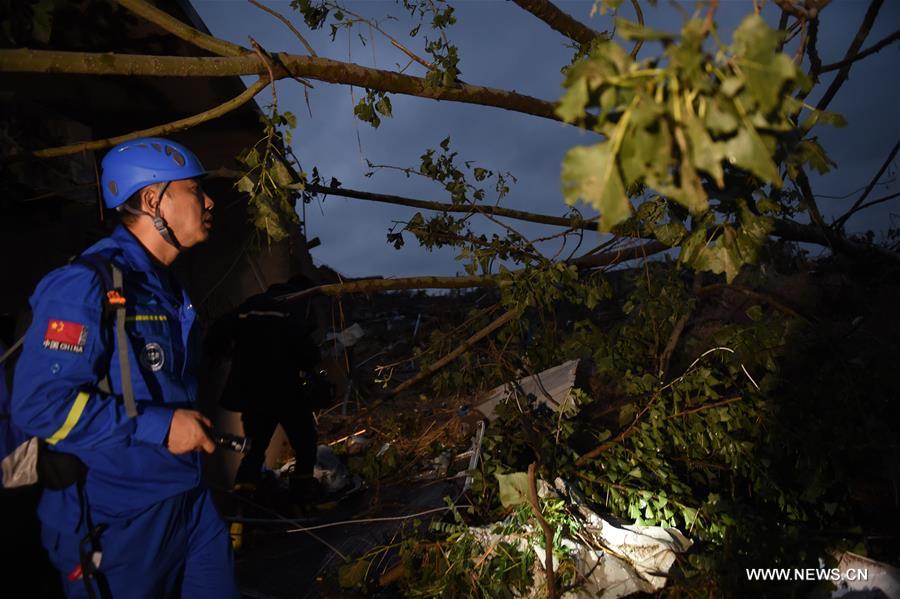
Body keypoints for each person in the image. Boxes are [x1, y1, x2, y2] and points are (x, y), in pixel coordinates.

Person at [11, 137, 239, 598]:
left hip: (189, 502)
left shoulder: (165, 287)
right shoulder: (84, 285)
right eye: (195, 189)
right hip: (120, 518)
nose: (210, 200)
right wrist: (160, 427)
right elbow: (39, 407)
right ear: (153, 200)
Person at [218, 275, 333, 506]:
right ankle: (301, 502)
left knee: (255, 450)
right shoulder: (292, 305)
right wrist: (313, 361)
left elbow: (221, 331)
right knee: (305, 444)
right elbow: (305, 350)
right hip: (285, 391)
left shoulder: (252, 304)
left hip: (253, 394)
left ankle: (242, 512)